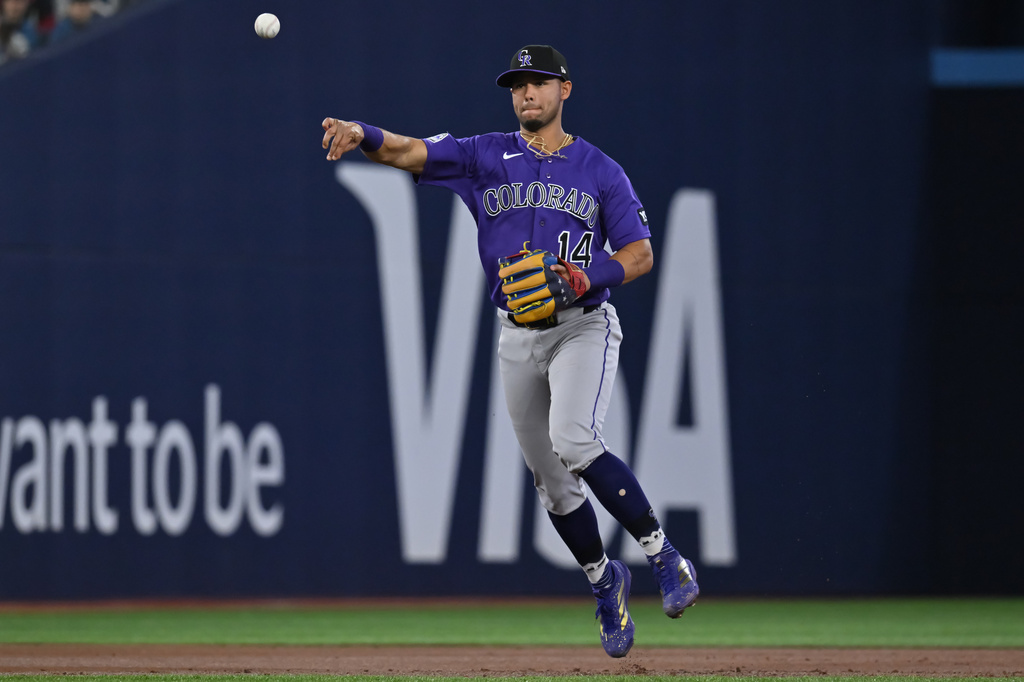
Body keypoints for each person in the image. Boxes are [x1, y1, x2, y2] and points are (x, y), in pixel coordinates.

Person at [321, 44, 699, 658]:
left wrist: (586, 277)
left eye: (539, 82)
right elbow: (404, 150)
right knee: (551, 483)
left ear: (564, 91)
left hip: (582, 323)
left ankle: (665, 556)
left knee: (575, 440)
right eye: (518, 84)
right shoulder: (481, 156)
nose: (527, 93)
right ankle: (606, 584)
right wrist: (359, 131)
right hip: (517, 333)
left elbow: (640, 254)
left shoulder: (600, 170)